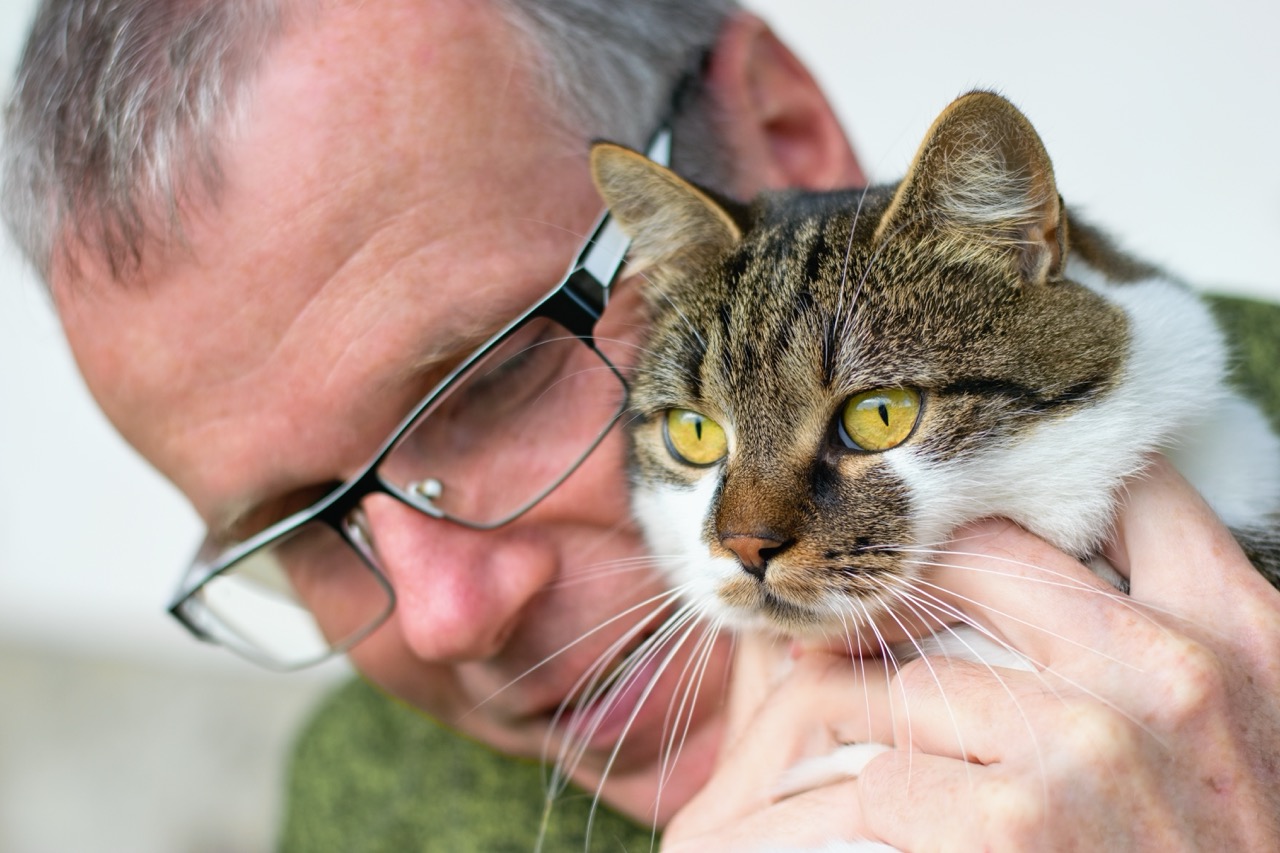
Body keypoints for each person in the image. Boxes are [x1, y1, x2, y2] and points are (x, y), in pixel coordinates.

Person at [5, 0, 1279, 849]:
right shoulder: (364, 802)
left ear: (778, 135)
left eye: (488, 381)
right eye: (292, 526)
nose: (447, 616)